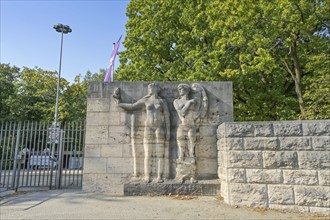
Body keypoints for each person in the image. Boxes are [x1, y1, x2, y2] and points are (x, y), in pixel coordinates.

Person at [114, 83, 170, 183]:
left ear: (156, 89)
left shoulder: (162, 101)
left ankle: (159, 177)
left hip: (159, 127)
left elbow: (167, 117)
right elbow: (132, 106)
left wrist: (169, 131)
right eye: (149, 88)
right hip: (148, 127)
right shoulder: (145, 100)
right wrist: (119, 103)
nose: (149, 89)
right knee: (147, 153)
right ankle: (147, 176)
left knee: (160, 155)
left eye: (151, 87)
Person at [173, 83, 208, 163]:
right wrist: (188, 103)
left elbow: (200, 113)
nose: (181, 91)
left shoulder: (194, 102)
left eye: (183, 89)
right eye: (179, 89)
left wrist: (205, 100)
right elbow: (182, 112)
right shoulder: (177, 101)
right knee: (181, 150)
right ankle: (182, 164)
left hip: (191, 126)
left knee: (192, 150)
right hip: (182, 126)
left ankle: (191, 168)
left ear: (187, 91)